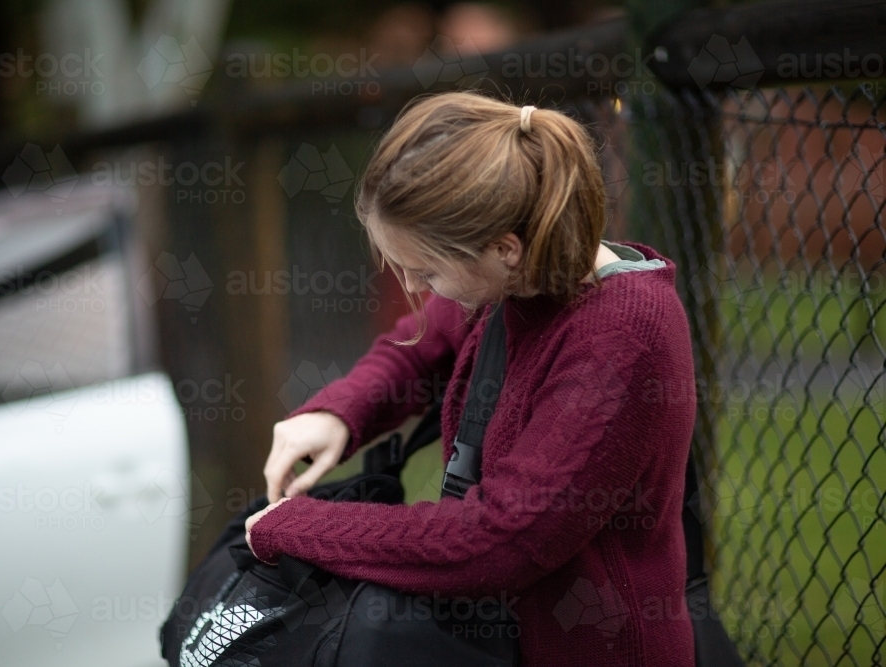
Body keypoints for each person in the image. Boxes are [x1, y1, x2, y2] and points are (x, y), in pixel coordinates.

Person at [245, 91, 697, 666]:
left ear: (503, 247)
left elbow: (502, 539)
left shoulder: (621, 335)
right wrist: (337, 412)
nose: (414, 285)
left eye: (426, 269)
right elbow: (419, 348)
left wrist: (298, 526)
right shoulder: (518, 276)